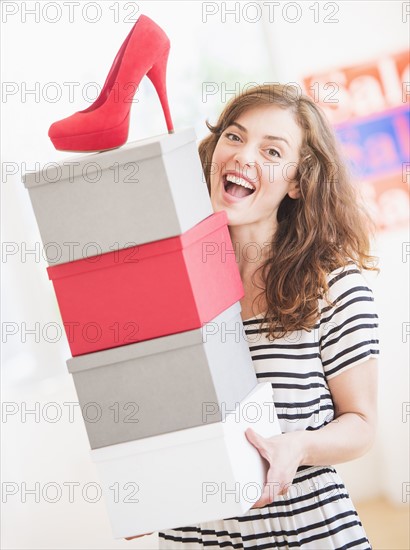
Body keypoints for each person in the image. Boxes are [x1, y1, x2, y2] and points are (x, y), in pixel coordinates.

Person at [134, 83, 380, 548]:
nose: (245, 156)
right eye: (235, 136)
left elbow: (361, 424)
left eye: (271, 150)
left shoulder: (332, 284)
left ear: (295, 182)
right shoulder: (168, 285)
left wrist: (299, 446)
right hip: (194, 534)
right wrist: (140, 484)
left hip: (304, 534)